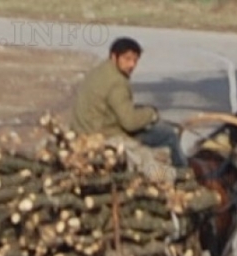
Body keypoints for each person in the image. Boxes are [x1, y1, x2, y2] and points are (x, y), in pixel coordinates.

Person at [70, 37, 188, 167]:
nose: (132, 65)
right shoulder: (117, 82)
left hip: (83, 130)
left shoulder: (99, 71)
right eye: (127, 59)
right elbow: (129, 123)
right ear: (114, 56)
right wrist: (151, 114)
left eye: (135, 60)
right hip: (105, 136)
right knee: (168, 134)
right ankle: (184, 172)